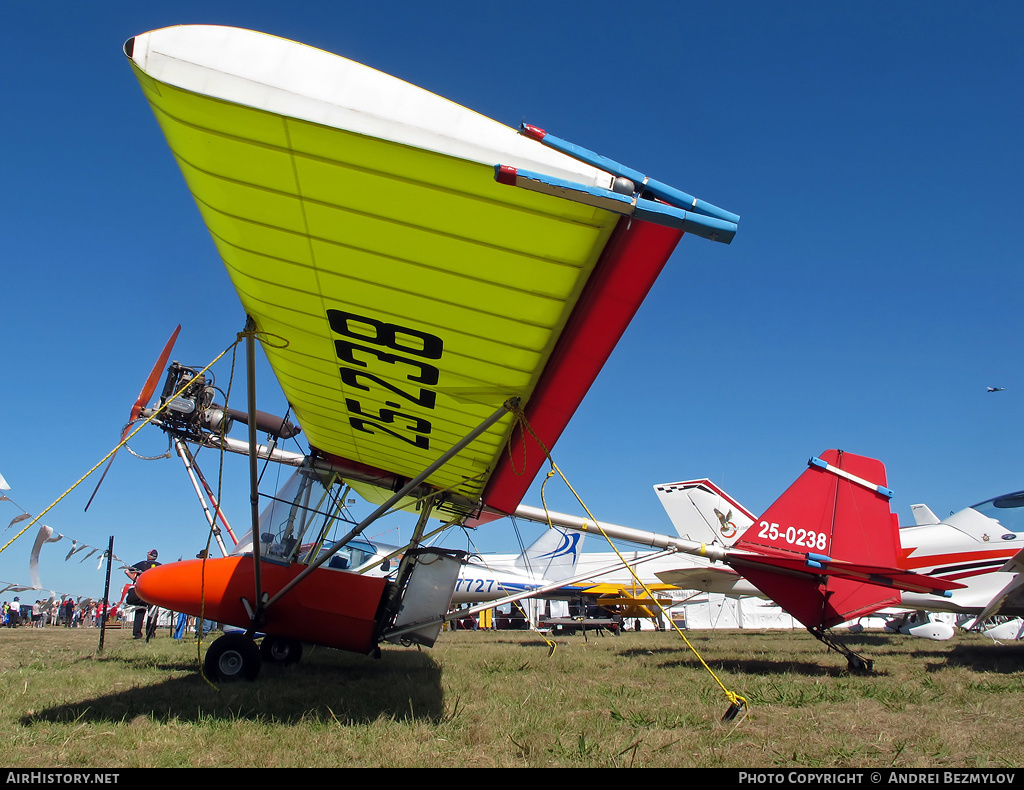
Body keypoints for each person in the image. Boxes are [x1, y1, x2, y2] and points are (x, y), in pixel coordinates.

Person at [125, 549, 161, 639]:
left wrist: (137, 580)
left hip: (142, 591)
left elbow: (127, 571)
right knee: (152, 613)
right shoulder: (160, 566)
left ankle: (137, 634)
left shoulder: (142, 564)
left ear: (148, 555)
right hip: (154, 591)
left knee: (140, 611)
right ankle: (151, 633)